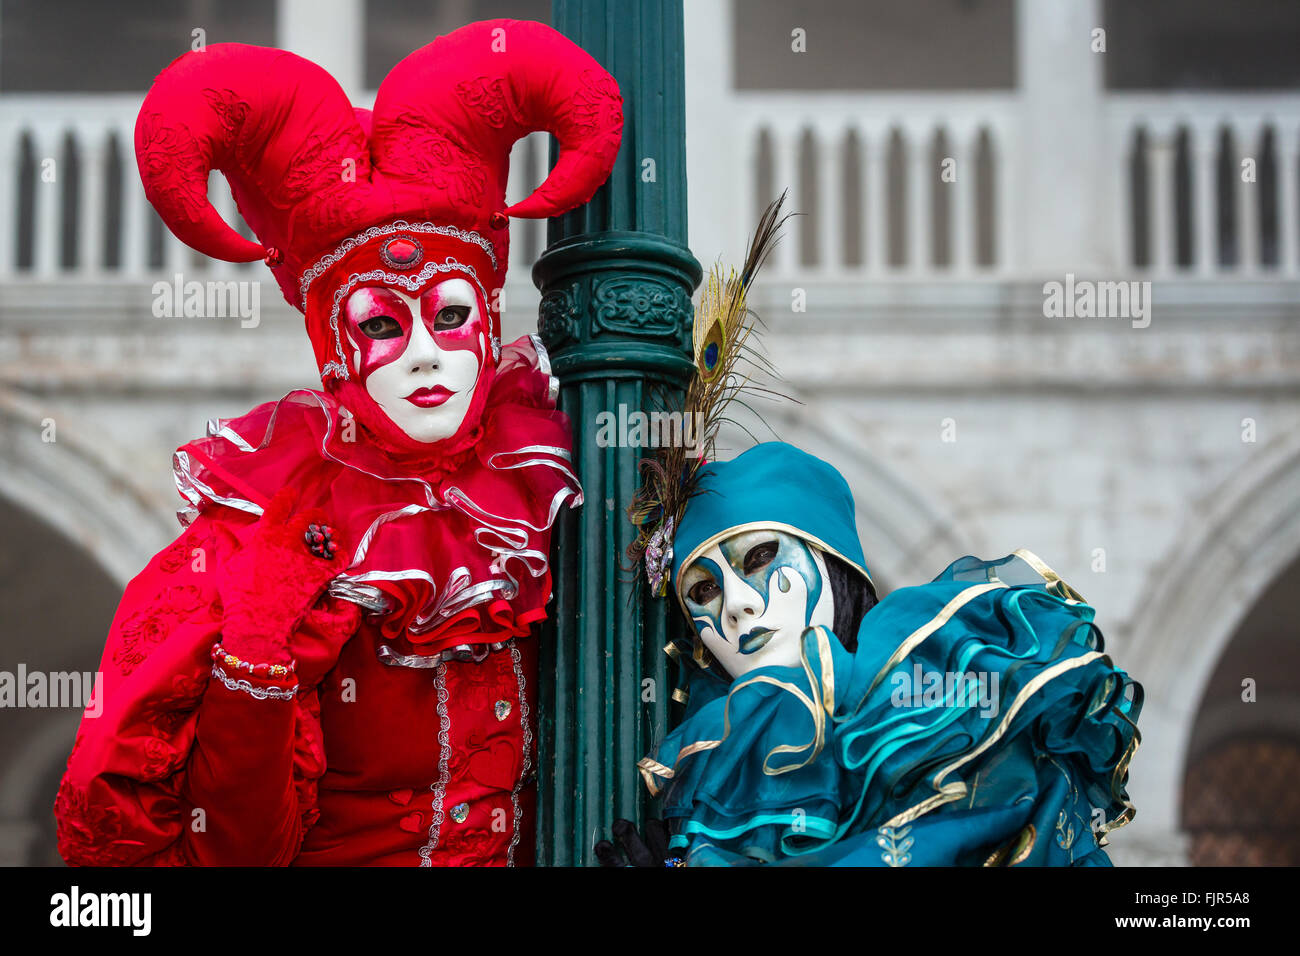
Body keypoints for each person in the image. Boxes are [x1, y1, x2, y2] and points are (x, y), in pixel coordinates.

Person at [53, 19, 622, 866]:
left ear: (487, 320)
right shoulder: (267, 536)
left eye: (451, 315)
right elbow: (240, 854)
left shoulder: (547, 484)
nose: (425, 354)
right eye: (382, 325)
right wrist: (256, 668)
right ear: (334, 352)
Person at [612, 440, 1142, 867]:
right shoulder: (711, 769)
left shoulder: (948, 710)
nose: (737, 606)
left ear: (834, 563)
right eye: (704, 591)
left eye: (760, 558)